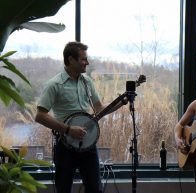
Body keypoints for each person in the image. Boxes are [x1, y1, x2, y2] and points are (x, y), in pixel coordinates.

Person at [35, 41, 127, 193]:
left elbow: (99, 109)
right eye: (83, 59)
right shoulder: (55, 84)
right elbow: (40, 116)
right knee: (63, 189)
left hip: (88, 146)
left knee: (95, 189)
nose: (87, 62)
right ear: (71, 60)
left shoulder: (87, 82)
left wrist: (121, 103)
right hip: (65, 146)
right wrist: (68, 129)